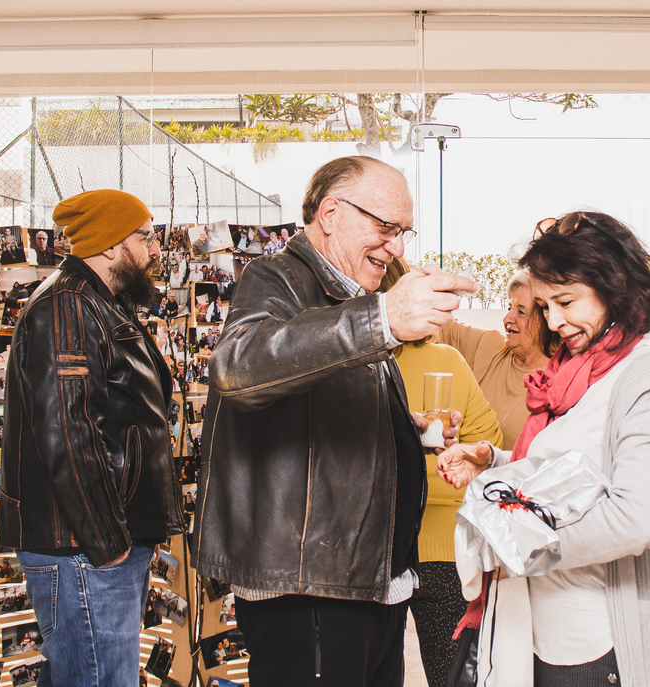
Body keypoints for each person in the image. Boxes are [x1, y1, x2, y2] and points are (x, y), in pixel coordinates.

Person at [195, 156, 476, 687]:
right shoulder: (276, 276)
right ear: (330, 213)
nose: (396, 247)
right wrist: (383, 318)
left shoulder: (351, 297)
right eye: (386, 227)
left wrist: (404, 429)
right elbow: (238, 368)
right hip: (312, 590)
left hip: (363, 581)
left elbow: (314, 415)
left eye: (404, 232)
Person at [438, 211, 650, 687]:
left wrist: (521, 547)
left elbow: (638, 517)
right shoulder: (578, 369)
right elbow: (574, 471)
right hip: (549, 630)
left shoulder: (646, 378)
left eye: (565, 302)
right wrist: (496, 462)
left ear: (614, 285)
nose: (554, 321)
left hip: (599, 643)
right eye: (545, 306)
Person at [0, 189, 187, 687]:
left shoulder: (100, 303)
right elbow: (67, 432)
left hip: (99, 547)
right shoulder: (68, 306)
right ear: (109, 244)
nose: (154, 251)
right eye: (145, 238)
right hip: (84, 551)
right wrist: (108, 543)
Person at [377, 257, 504, 686]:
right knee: (455, 675)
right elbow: (488, 443)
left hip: (377, 551)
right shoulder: (447, 361)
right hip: (446, 551)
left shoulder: (353, 367)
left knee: (374, 671)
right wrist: (454, 447)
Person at [437, 269, 551, 449]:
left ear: (548, 321)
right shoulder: (490, 346)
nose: (507, 318)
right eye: (509, 308)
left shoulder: (560, 381)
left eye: (522, 312)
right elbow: (444, 326)